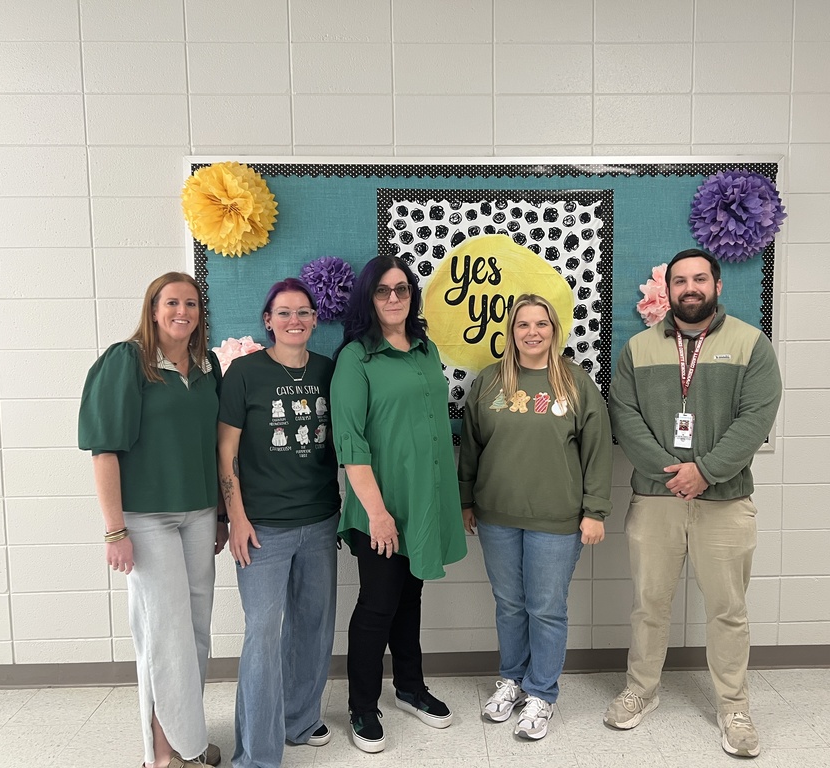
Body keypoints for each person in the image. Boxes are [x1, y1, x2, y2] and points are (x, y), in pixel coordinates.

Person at [605, 249, 782, 758]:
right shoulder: (637, 348)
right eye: (680, 280)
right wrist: (674, 473)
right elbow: (625, 416)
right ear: (669, 290)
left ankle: (734, 707)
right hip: (656, 499)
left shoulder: (751, 344)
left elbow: (755, 419)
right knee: (649, 604)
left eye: (699, 278)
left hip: (725, 500)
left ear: (717, 286)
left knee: (728, 609)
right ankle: (642, 690)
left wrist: (703, 472)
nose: (690, 288)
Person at [78, 272, 226, 768]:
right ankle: (165, 755)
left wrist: (222, 514)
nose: (181, 311)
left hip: (200, 512)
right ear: (153, 309)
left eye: (191, 303)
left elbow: (216, 447)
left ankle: (187, 738)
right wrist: (114, 529)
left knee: (196, 630)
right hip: (147, 519)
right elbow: (104, 451)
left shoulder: (208, 368)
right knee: (166, 634)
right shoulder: (127, 362)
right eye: (171, 303)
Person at [459, 294, 612, 741]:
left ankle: (541, 692)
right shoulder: (489, 383)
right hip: (496, 516)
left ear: (554, 329)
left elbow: (598, 452)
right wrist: (466, 500)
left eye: (540, 324)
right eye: (522, 325)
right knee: (509, 604)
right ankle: (511, 680)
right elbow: (471, 448)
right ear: (511, 332)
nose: (532, 332)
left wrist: (595, 510)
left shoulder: (576, 384)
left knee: (545, 608)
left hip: (557, 519)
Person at [330, 255, 467, 753]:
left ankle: (409, 687)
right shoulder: (356, 359)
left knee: (411, 600)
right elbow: (351, 443)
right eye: (384, 290)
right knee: (377, 606)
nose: (394, 298)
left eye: (403, 289)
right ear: (368, 298)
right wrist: (378, 513)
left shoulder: (425, 350)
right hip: (379, 508)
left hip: (422, 501)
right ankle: (363, 706)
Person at [217, 278, 340, 768]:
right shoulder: (245, 373)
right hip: (262, 527)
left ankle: (300, 720)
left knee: (313, 627)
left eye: (304, 312)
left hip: (320, 520)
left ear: (314, 319)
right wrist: (237, 518)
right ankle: (257, 755)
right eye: (284, 313)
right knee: (263, 633)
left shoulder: (329, 371)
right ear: (267, 320)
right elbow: (225, 452)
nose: (295, 321)